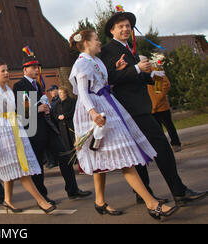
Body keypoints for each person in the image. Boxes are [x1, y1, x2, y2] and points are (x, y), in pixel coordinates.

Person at [69, 29, 181, 220]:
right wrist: (93, 113)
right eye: (96, 39)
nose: (99, 42)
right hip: (96, 111)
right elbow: (83, 92)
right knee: (124, 158)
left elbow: (102, 84)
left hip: (108, 106)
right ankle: (151, 203)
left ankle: (100, 201)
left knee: (101, 157)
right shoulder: (82, 64)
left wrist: (118, 71)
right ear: (86, 43)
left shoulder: (95, 61)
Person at [100, 9, 207, 206]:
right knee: (162, 148)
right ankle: (179, 192)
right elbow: (110, 79)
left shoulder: (129, 48)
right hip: (130, 109)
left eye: (127, 26)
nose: (126, 29)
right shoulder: (108, 51)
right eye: (121, 26)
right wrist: (137, 68)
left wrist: (154, 76)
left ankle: (143, 195)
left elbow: (136, 77)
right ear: (112, 31)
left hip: (140, 107)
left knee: (139, 152)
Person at [13, 55, 92, 203]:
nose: (37, 70)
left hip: (48, 127)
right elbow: (21, 109)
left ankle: (72, 190)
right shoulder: (20, 85)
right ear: (25, 69)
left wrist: (47, 108)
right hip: (34, 130)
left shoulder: (38, 85)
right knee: (38, 166)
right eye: (33, 67)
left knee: (64, 156)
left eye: (38, 67)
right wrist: (38, 108)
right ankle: (42, 197)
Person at [0, 62, 56, 214]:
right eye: (3, 71)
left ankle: (7, 200)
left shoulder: (9, 90)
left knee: (13, 168)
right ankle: (41, 201)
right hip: (1, 133)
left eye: (7, 70)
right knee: (22, 168)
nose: (6, 73)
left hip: (15, 130)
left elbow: (19, 109)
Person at [147, 76, 182, 152]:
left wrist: (156, 102)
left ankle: (176, 144)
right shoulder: (140, 73)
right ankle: (163, 147)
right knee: (157, 130)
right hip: (150, 109)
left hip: (162, 107)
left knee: (169, 126)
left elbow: (164, 86)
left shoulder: (155, 70)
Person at [52, 87, 77, 151]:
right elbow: (54, 114)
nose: (60, 94)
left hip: (71, 125)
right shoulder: (57, 104)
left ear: (65, 93)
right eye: (59, 93)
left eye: (61, 93)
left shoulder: (72, 101)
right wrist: (58, 117)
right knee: (67, 144)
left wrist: (65, 116)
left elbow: (73, 111)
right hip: (62, 128)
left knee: (74, 141)